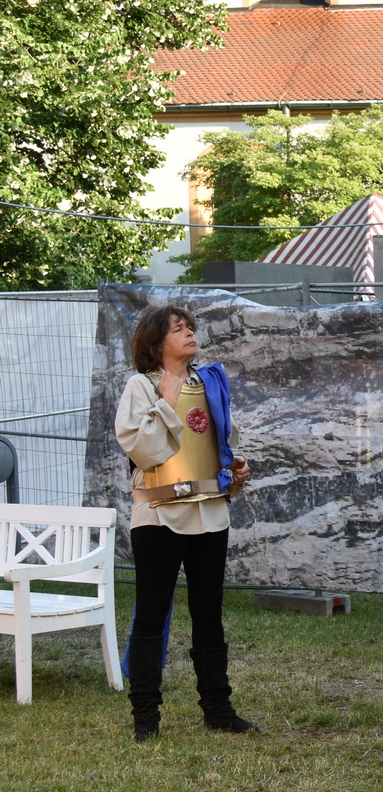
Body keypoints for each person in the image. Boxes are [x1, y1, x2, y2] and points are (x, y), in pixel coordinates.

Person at [114, 304, 253, 742]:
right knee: (152, 615)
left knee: (209, 613)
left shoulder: (209, 381)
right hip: (157, 515)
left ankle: (218, 708)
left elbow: (219, 442)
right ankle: (145, 719)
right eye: (179, 329)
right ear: (156, 341)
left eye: (191, 327)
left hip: (210, 511)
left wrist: (234, 475)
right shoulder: (142, 387)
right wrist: (167, 401)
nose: (190, 333)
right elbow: (145, 451)